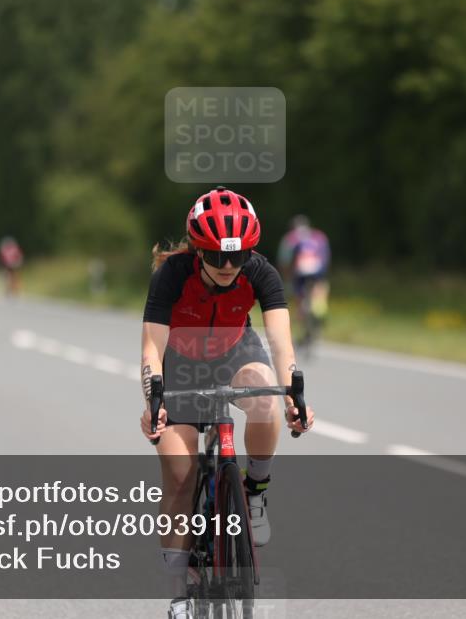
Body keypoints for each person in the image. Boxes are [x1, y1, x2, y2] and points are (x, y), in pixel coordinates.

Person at [139, 186, 315, 617]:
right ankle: (178, 596)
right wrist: (153, 398)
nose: (228, 266)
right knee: (179, 476)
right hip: (180, 362)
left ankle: (255, 491)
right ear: (198, 251)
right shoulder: (172, 275)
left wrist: (295, 394)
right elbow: (150, 348)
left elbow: (280, 342)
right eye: (217, 257)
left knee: (264, 396)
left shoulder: (261, 272)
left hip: (236, 350)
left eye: (236, 257)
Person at [277, 214, 331, 342]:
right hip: (318, 269)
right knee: (319, 292)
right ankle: (319, 311)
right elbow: (326, 255)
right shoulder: (319, 236)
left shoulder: (290, 238)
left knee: (299, 298)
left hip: (300, 271)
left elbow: (284, 260)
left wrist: (287, 277)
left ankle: (303, 315)